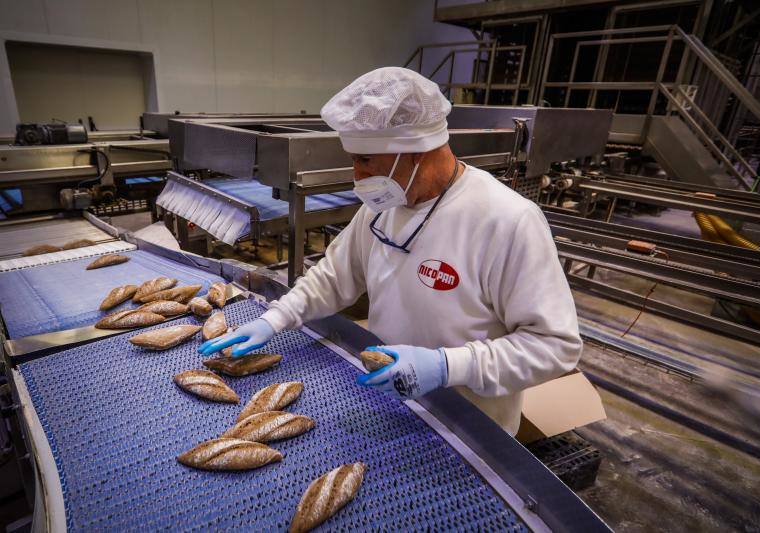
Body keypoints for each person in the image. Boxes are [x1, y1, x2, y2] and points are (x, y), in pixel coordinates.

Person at [199, 67, 582, 435]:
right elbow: (334, 277)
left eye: (366, 161)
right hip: (387, 401)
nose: (358, 177)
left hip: (469, 427)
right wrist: (277, 318)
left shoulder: (507, 221)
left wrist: (447, 366)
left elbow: (554, 346)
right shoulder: (383, 208)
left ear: (417, 151)